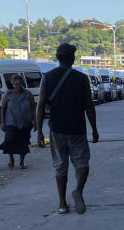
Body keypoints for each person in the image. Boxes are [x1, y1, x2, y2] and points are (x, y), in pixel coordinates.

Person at [36, 43, 99, 215]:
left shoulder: (47, 77)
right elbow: (89, 106)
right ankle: (78, 189)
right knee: (82, 163)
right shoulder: (81, 78)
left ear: (58, 58)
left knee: (60, 166)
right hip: (77, 128)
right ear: (72, 58)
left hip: (56, 128)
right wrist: (94, 129)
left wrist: (39, 131)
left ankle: (63, 203)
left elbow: (41, 105)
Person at [0, 74, 36, 170]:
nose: (17, 86)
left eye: (19, 84)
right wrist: (2, 122)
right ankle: (11, 159)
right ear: (12, 84)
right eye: (15, 84)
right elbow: (2, 108)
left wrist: (35, 121)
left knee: (23, 142)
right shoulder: (8, 95)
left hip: (25, 123)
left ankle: (22, 162)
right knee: (10, 141)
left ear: (22, 84)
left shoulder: (28, 94)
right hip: (11, 122)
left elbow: (33, 108)